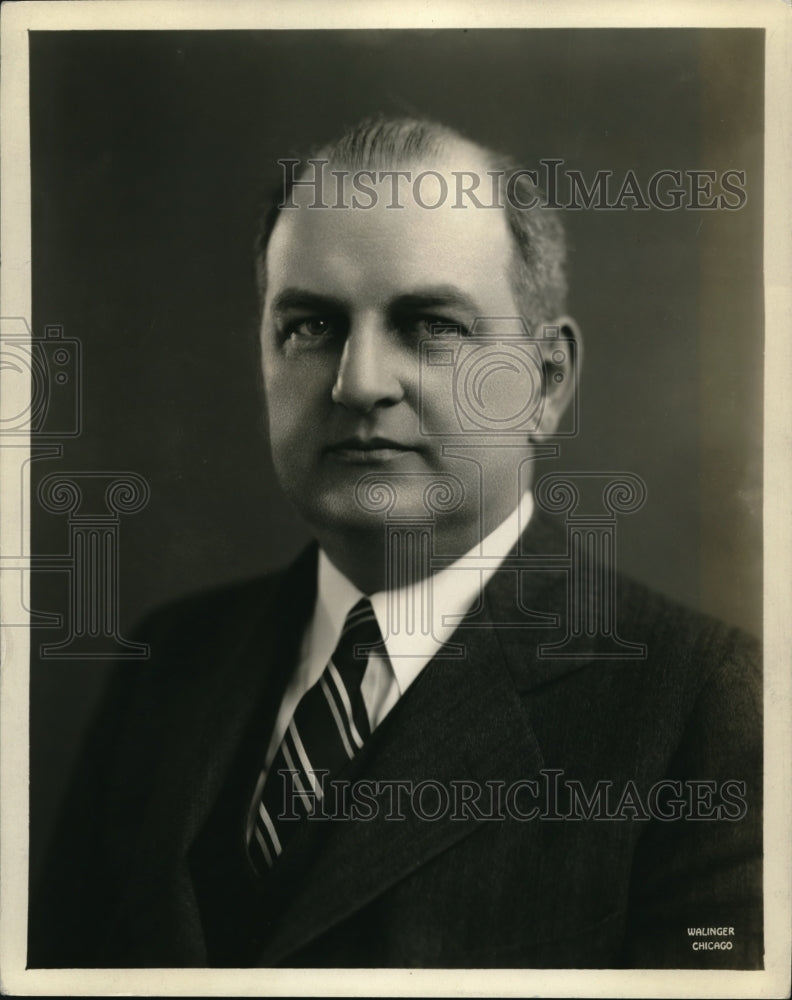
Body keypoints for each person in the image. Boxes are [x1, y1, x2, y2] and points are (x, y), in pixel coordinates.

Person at [29, 116, 762, 969]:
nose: (359, 382)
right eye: (309, 326)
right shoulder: (168, 663)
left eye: (432, 325)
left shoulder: (705, 710)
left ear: (546, 382)